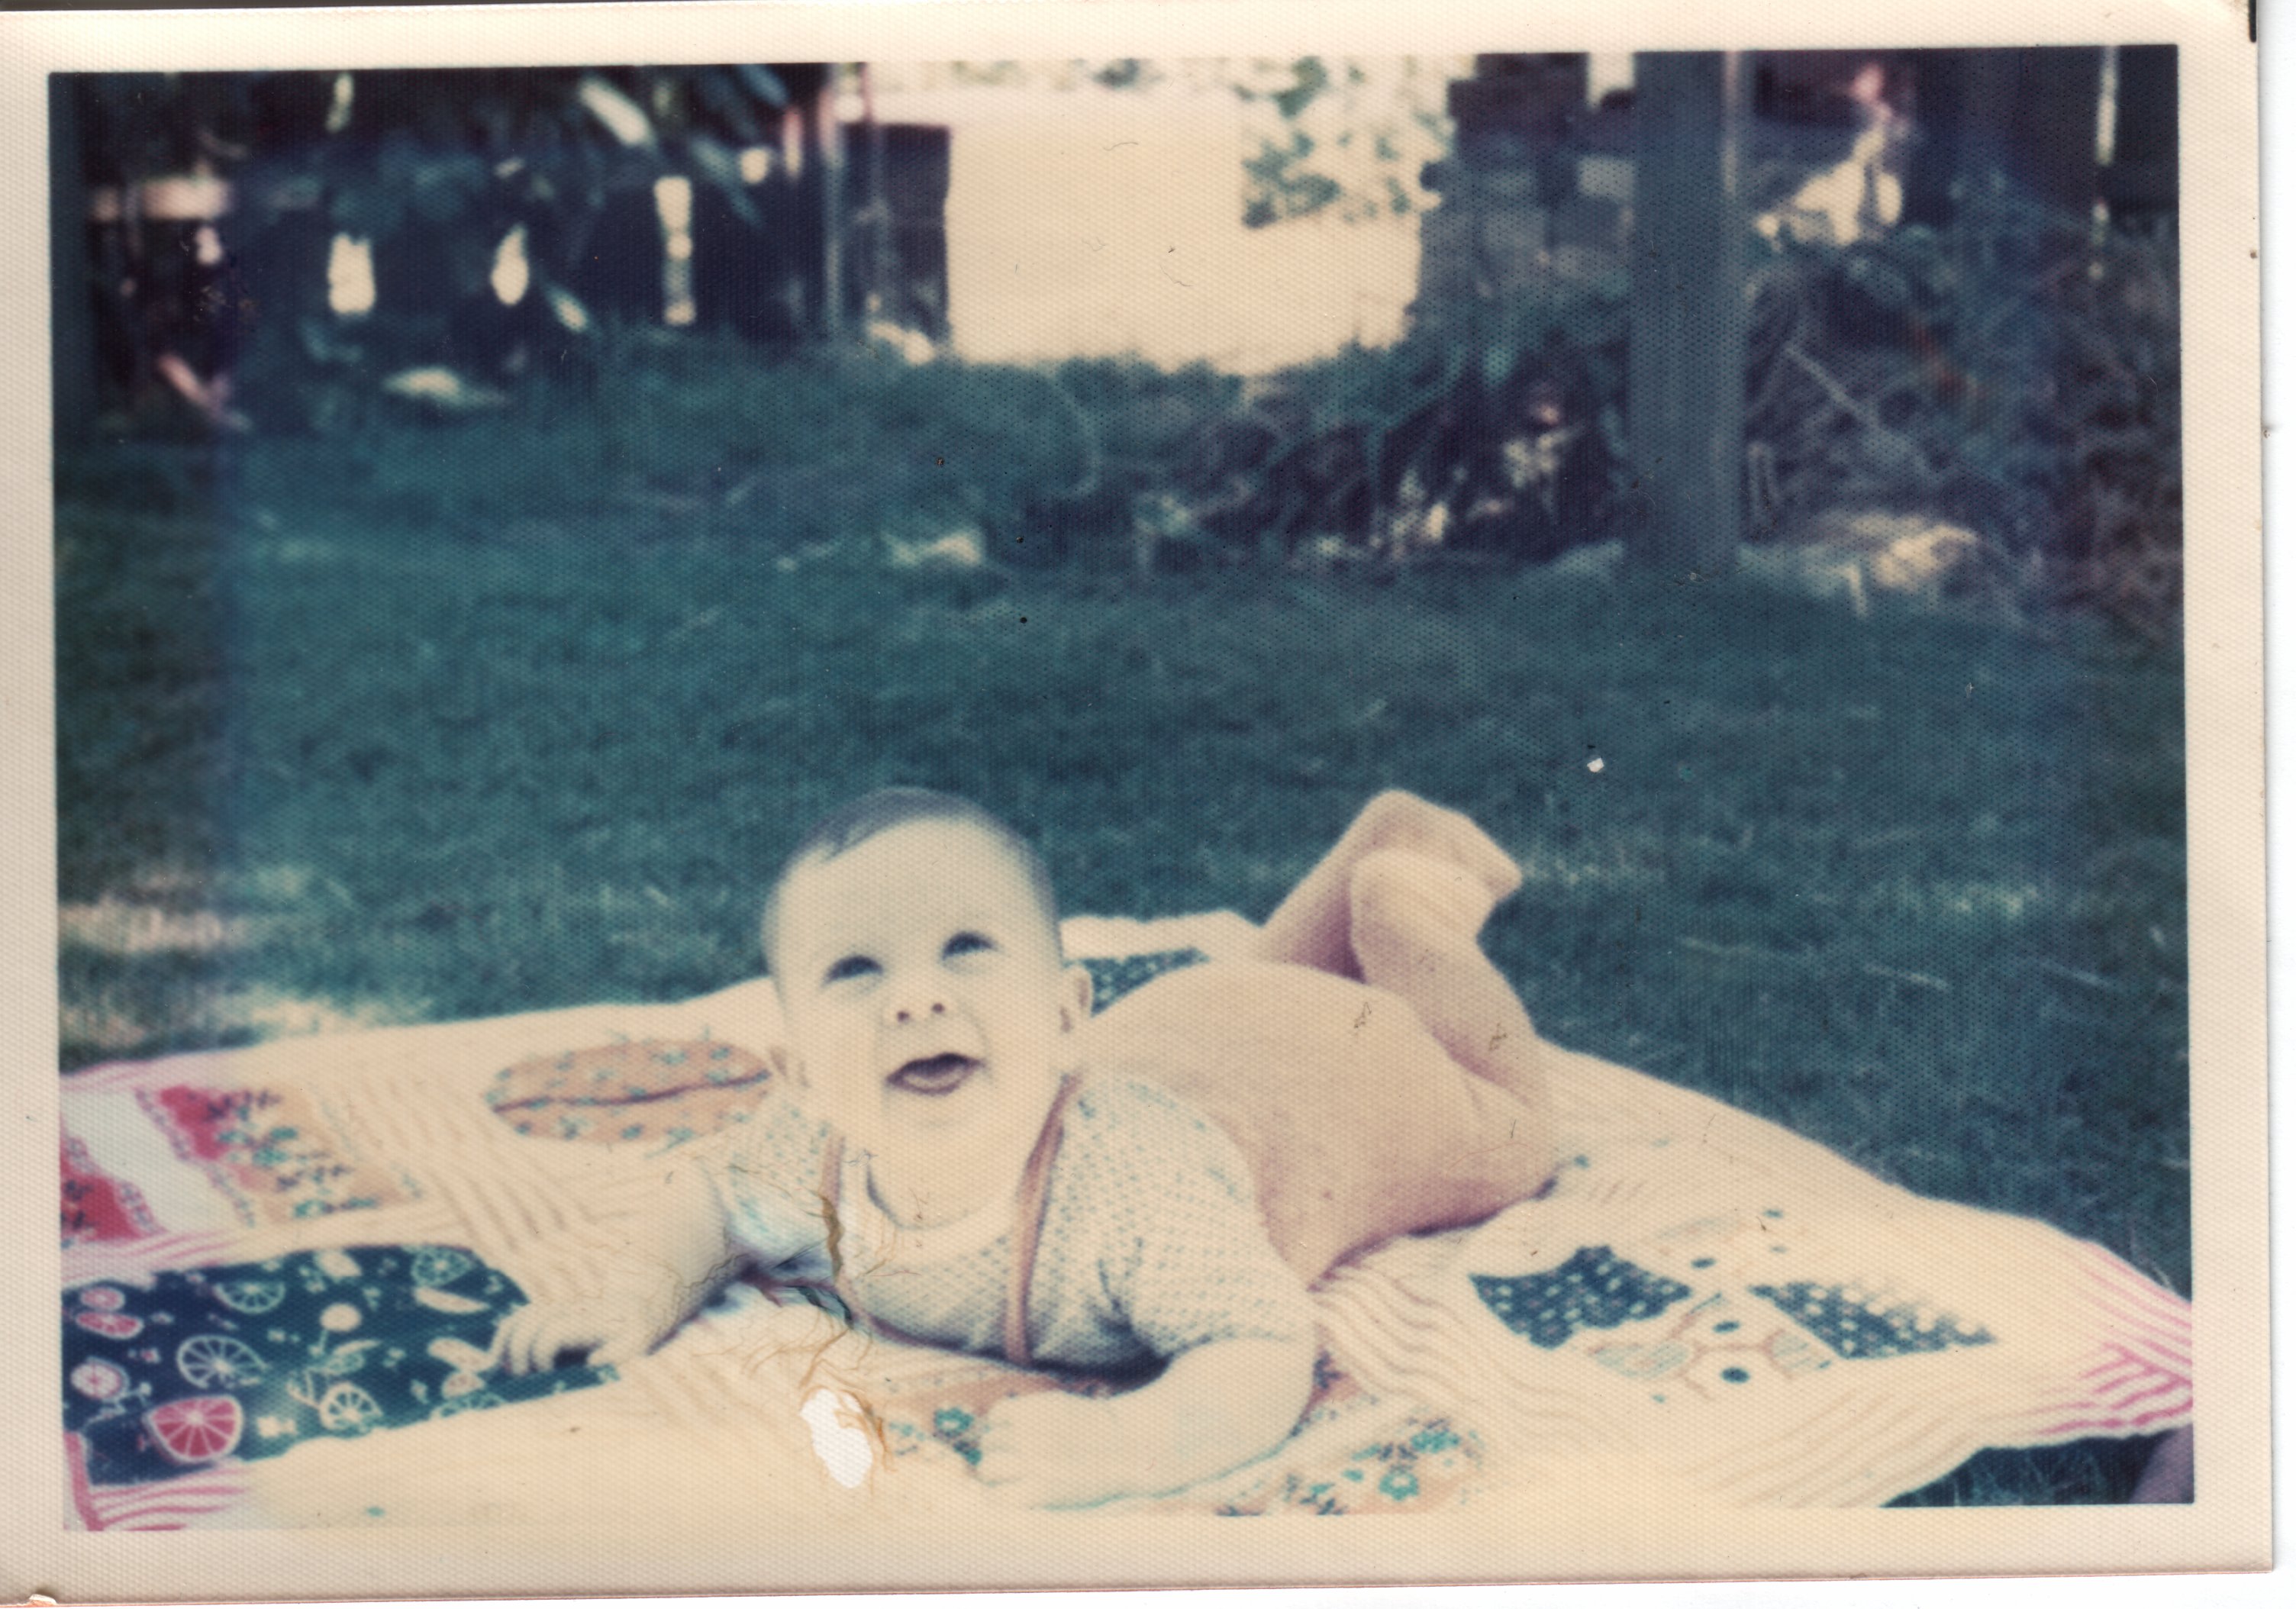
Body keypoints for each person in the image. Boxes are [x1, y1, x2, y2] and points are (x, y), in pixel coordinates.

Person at [492, 788, 1555, 1507]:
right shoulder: (809, 1151)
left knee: (1514, 1132)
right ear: (800, 1073)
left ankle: (1407, 906)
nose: (917, 998)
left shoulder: (1130, 1196)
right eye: (857, 970)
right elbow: (712, 1200)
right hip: (1185, 1027)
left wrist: (1136, 1445)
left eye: (966, 947)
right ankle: (1376, 844)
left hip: (1324, 1088)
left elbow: (1263, 1343)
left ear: (1061, 1016)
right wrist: (638, 1292)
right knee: (1254, 982)